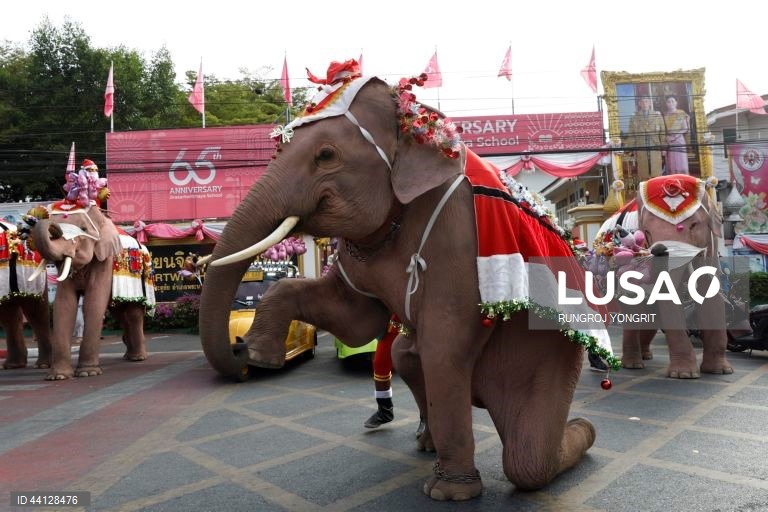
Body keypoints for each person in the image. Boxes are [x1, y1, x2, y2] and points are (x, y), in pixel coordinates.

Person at [364, 314, 400, 428]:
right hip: (394, 324)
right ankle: (385, 411)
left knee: (419, 368)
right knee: (380, 364)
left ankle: (425, 417)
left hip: (418, 323)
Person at [626, 96, 665, 181]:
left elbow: (662, 133)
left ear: (650, 103)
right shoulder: (634, 117)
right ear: (639, 104)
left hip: (655, 145)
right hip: (641, 145)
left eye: (646, 101)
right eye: (642, 102)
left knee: (656, 169)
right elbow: (631, 134)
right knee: (643, 171)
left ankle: (656, 187)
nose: (644, 104)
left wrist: (663, 148)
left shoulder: (657, 115)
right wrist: (631, 149)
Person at [662, 95, 690, 174]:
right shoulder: (665, 116)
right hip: (669, 141)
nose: (670, 103)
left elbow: (685, 128)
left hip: (679, 140)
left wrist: (675, 136)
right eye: (668, 102)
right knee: (671, 163)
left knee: (681, 162)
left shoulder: (681, 113)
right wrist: (668, 138)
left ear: (676, 103)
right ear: (666, 104)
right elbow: (663, 130)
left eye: (672, 101)